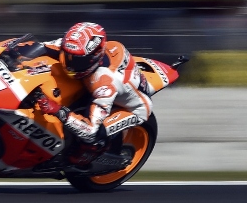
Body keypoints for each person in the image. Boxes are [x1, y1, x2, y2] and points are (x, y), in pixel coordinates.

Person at [28, 22, 154, 165]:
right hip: (113, 81)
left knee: (93, 136)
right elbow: (40, 47)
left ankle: (91, 155)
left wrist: (57, 110)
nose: (70, 65)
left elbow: (89, 130)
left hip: (135, 109)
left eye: (78, 61)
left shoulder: (104, 84)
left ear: (95, 57)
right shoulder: (75, 47)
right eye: (68, 56)